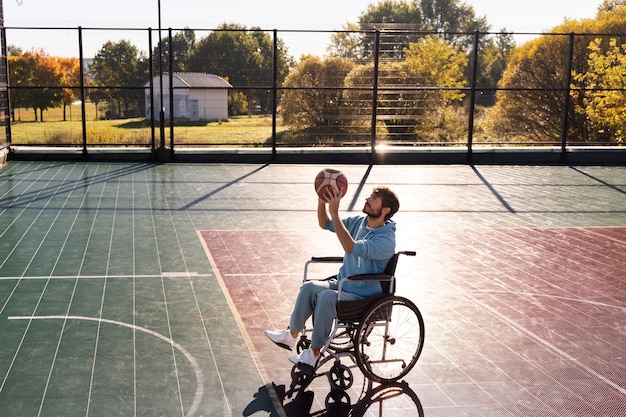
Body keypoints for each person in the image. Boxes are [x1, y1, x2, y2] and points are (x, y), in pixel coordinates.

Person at [264, 184, 400, 368]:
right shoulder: (360, 222)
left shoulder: (386, 240)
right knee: (309, 287)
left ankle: (313, 354)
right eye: (370, 196)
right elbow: (325, 223)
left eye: (374, 199)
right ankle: (291, 335)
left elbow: (350, 247)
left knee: (327, 297)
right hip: (343, 284)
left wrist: (335, 213)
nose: (367, 199)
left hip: (364, 296)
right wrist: (322, 201)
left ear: (385, 210)